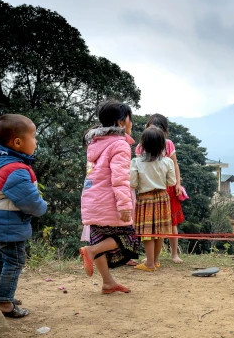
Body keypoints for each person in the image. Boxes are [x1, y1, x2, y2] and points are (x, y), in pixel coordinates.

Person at [0, 114, 47, 318]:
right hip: (8, 224)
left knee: (2, 258)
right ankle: (5, 303)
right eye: (33, 137)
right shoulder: (15, 170)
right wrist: (42, 207)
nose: (35, 142)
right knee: (15, 261)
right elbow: (30, 202)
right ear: (18, 142)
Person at [79, 101, 139, 294]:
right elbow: (120, 178)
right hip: (110, 202)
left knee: (99, 238)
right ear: (121, 123)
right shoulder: (120, 145)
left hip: (92, 200)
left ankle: (108, 283)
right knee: (128, 237)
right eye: (130, 118)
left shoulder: (95, 143)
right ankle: (91, 251)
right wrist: (124, 206)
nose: (132, 123)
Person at [139, 114, 185, 264]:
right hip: (150, 189)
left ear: (165, 131)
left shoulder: (168, 144)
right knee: (150, 224)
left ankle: (174, 254)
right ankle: (152, 257)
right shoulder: (141, 147)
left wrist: (177, 184)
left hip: (168, 189)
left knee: (172, 223)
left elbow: (175, 165)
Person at [130, 126, 176, 271]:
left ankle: (149, 263)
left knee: (148, 232)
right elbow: (172, 182)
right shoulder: (167, 162)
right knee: (160, 231)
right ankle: (155, 261)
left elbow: (133, 183)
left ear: (142, 145)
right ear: (163, 145)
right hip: (163, 198)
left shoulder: (136, 162)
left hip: (145, 199)